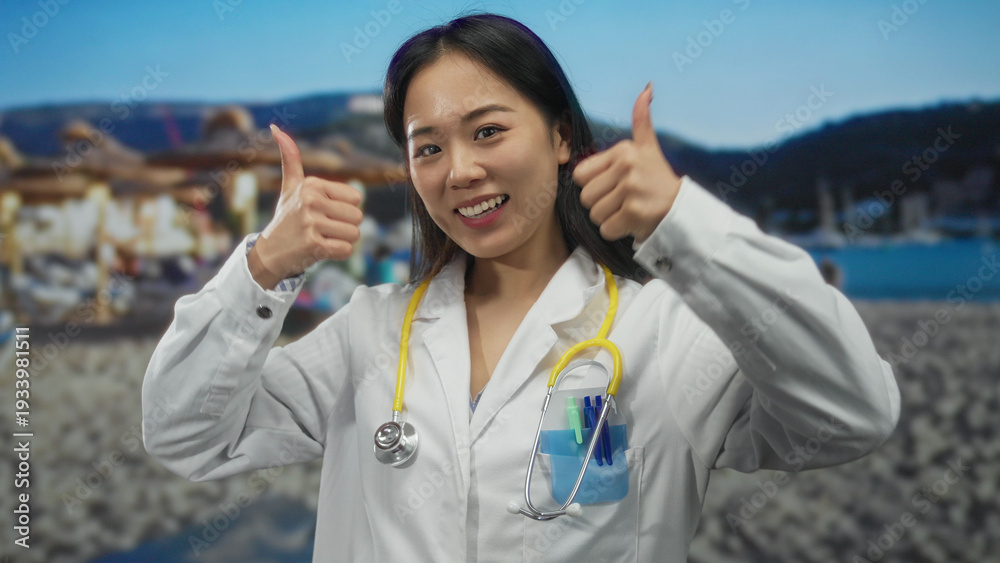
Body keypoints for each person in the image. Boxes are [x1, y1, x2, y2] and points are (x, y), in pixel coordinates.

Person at [141, 13, 900, 562]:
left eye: (488, 131)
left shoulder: (661, 334)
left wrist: (686, 228)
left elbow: (851, 413)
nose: (460, 171)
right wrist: (263, 268)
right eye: (427, 148)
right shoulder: (370, 332)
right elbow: (185, 433)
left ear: (562, 135)